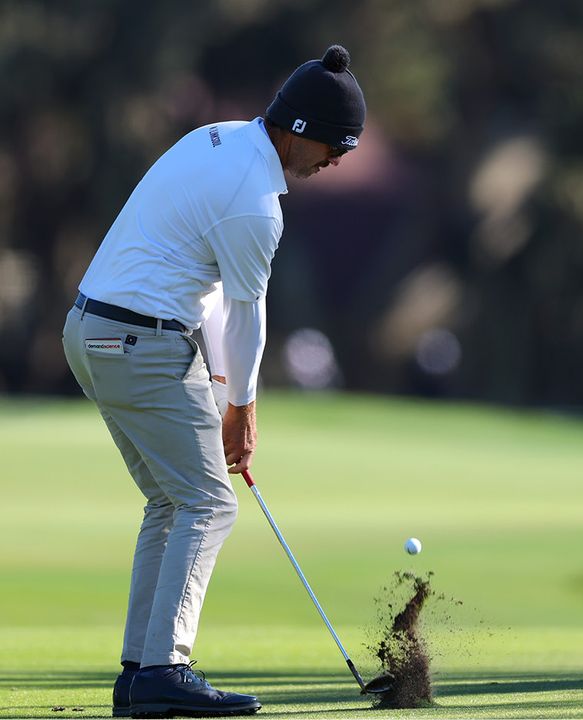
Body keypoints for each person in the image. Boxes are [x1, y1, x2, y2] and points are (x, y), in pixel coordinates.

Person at [61, 45, 365, 719]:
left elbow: (205, 294)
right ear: (298, 129)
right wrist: (242, 409)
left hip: (92, 331)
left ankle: (140, 672)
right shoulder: (256, 203)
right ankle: (166, 669)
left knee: (172, 502)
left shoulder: (215, 139)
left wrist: (217, 381)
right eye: (333, 147)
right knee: (209, 503)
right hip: (138, 340)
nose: (336, 162)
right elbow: (247, 315)